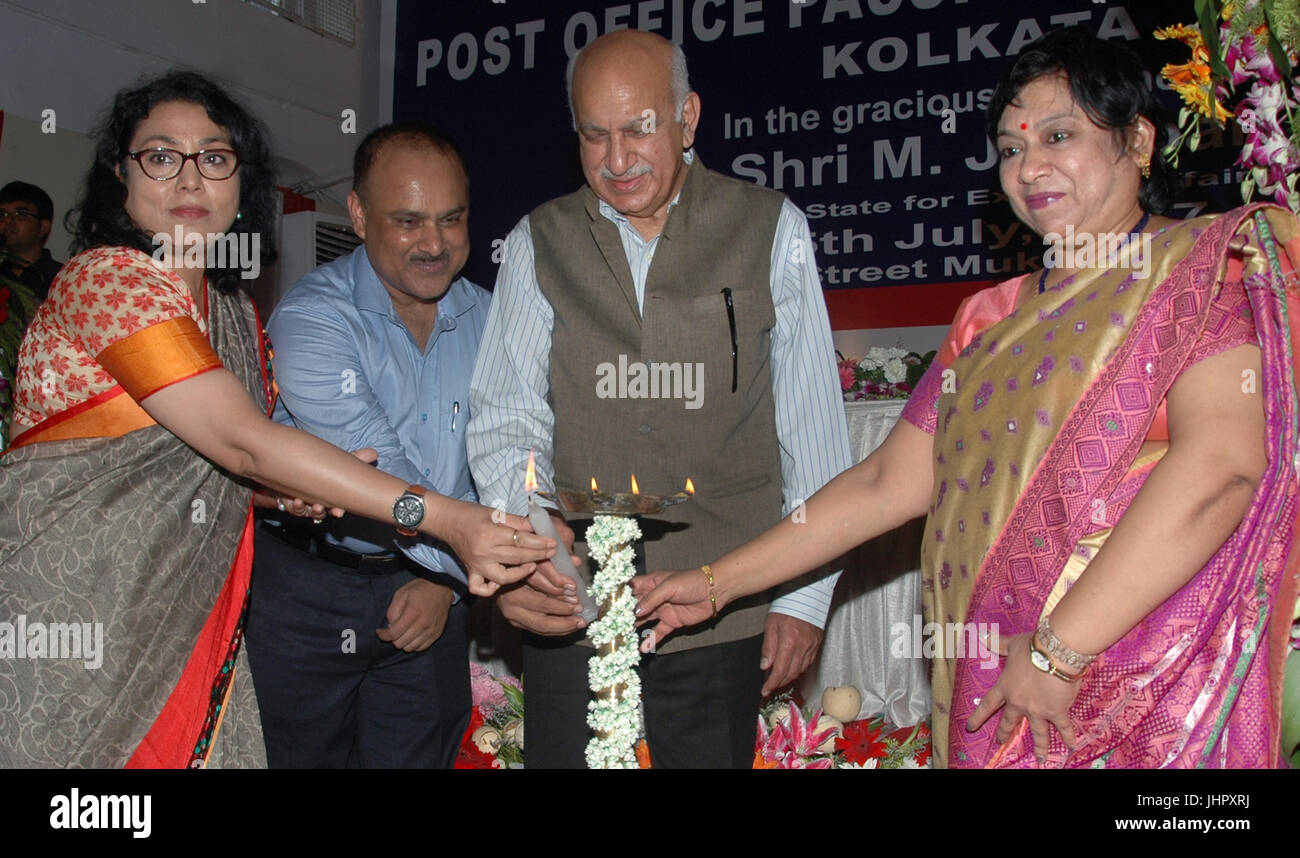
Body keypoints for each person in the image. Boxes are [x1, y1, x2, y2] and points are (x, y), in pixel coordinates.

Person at [635, 27, 1300, 769]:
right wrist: (715, 582)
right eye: (1012, 149)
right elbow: (887, 483)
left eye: (1059, 135)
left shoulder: (1202, 273)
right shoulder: (991, 319)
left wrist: (1058, 653)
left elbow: (1223, 469)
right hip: (995, 681)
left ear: (1138, 141)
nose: (1030, 168)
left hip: (1141, 682)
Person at [0, 71, 555, 768]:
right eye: (162, 156)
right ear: (121, 173)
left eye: (214, 157)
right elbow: (244, 442)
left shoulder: (232, 311)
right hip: (85, 604)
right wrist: (443, 519)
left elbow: (218, 465)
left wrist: (287, 492)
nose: (191, 180)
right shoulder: (106, 279)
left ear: (241, 179)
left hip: (189, 612)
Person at [466, 29, 852, 768]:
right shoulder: (535, 242)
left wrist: (802, 601)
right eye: (594, 135)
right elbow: (506, 416)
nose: (617, 161)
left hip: (724, 604)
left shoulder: (772, 230)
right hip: (574, 609)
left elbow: (814, 434)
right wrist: (537, 539)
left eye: (640, 128)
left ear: (688, 118)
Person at [246, 122, 486, 768]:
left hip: (428, 592)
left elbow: (502, 463)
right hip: (306, 595)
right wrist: (480, 568)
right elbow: (389, 476)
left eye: (452, 219)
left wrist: (449, 589)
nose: (434, 244)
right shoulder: (312, 321)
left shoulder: (493, 320)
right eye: (408, 221)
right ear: (356, 214)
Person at [0, 180, 64, 310]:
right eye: (2, 214)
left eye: (21, 214)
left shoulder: (62, 279)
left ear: (43, 227)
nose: (7, 220)